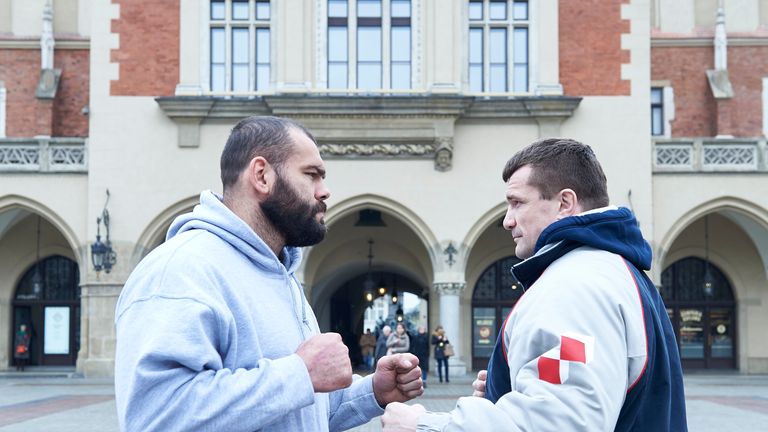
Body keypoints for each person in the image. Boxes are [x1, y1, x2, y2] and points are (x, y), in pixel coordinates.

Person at [114, 116, 423, 431]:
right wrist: (299, 373)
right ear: (261, 176)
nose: (325, 191)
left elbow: (298, 410)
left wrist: (372, 392)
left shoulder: (282, 277)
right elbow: (157, 419)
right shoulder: (182, 270)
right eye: (312, 175)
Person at [382, 138, 687, 431]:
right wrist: (504, 391)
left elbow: (559, 423)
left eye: (517, 203)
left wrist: (423, 426)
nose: (507, 221)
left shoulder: (575, 285)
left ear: (565, 202)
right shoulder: (608, 270)